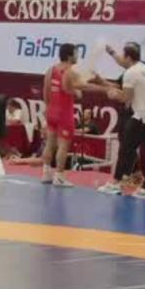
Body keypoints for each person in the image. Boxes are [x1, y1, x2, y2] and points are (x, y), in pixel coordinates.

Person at [98, 42, 145, 199]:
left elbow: (126, 99)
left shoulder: (130, 73)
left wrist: (112, 93)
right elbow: (123, 65)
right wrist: (112, 52)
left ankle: (115, 183)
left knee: (126, 148)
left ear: (128, 57)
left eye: (123, 56)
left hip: (142, 116)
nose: (122, 59)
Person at [41, 43, 104, 187]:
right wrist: (79, 92)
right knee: (63, 146)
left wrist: (48, 107)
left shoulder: (51, 70)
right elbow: (80, 90)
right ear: (70, 56)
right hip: (64, 113)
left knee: (50, 143)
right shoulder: (71, 71)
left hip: (52, 111)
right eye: (76, 53)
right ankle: (59, 176)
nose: (77, 56)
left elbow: (46, 91)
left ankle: (46, 173)